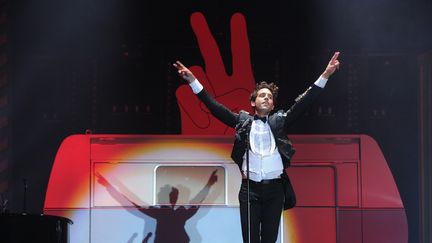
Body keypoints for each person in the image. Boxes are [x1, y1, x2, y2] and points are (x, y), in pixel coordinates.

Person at [173, 52, 340, 243]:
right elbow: (214, 107)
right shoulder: (243, 122)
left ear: (273, 104)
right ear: (253, 102)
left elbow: (305, 102)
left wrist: (325, 74)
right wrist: (194, 82)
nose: (266, 98)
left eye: (269, 97)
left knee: (269, 239)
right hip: (249, 189)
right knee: (251, 240)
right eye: (262, 95)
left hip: (275, 189)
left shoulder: (279, 121)